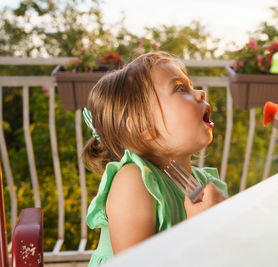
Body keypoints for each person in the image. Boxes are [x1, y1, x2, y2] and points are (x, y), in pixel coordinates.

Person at [82, 52, 228, 266]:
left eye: (190, 85)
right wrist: (198, 231)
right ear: (143, 127)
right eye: (180, 88)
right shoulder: (132, 181)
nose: (201, 93)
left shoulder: (205, 186)